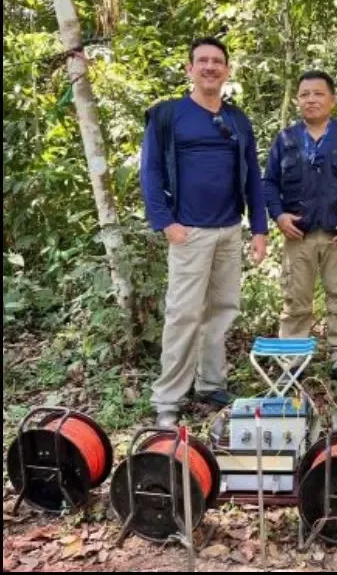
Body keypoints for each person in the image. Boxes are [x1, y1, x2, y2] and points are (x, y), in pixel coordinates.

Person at [140, 36, 268, 428]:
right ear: (189, 69)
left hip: (229, 230)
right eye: (203, 61)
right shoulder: (169, 115)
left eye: (218, 62)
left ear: (227, 71)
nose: (210, 67)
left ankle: (210, 383)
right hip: (189, 232)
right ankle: (168, 399)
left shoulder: (236, 119)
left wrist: (258, 229)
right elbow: (151, 172)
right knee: (183, 314)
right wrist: (166, 222)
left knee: (222, 311)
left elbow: (253, 177)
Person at [262, 71, 337, 382]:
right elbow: (269, 183)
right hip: (297, 235)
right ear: (298, 99)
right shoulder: (285, 139)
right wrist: (279, 216)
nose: (311, 99)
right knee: (295, 301)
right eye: (304, 94)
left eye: (318, 93)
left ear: (332, 100)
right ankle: (293, 361)